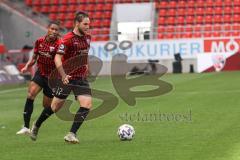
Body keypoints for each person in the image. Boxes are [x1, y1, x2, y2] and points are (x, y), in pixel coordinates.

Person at [30, 11, 92, 144]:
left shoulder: (88, 37)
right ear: (77, 23)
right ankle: (37, 124)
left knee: (86, 105)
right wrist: (63, 75)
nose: (88, 27)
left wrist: (87, 67)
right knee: (55, 107)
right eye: (85, 24)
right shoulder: (67, 39)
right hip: (66, 77)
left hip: (81, 78)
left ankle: (71, 134)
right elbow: (58, 57)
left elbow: (84, 55)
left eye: (89, 24)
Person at [16, 21, 61, 135]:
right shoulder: (39, 41)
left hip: (52, 79)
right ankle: (26, 127)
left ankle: (37, 123)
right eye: (52, 29)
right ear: (48, 29)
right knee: (30, 95)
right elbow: (34, 58)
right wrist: (26, 66)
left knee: (46, 106)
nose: (54, 31)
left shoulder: (59, 45)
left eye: (56, 30)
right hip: (40, 74)